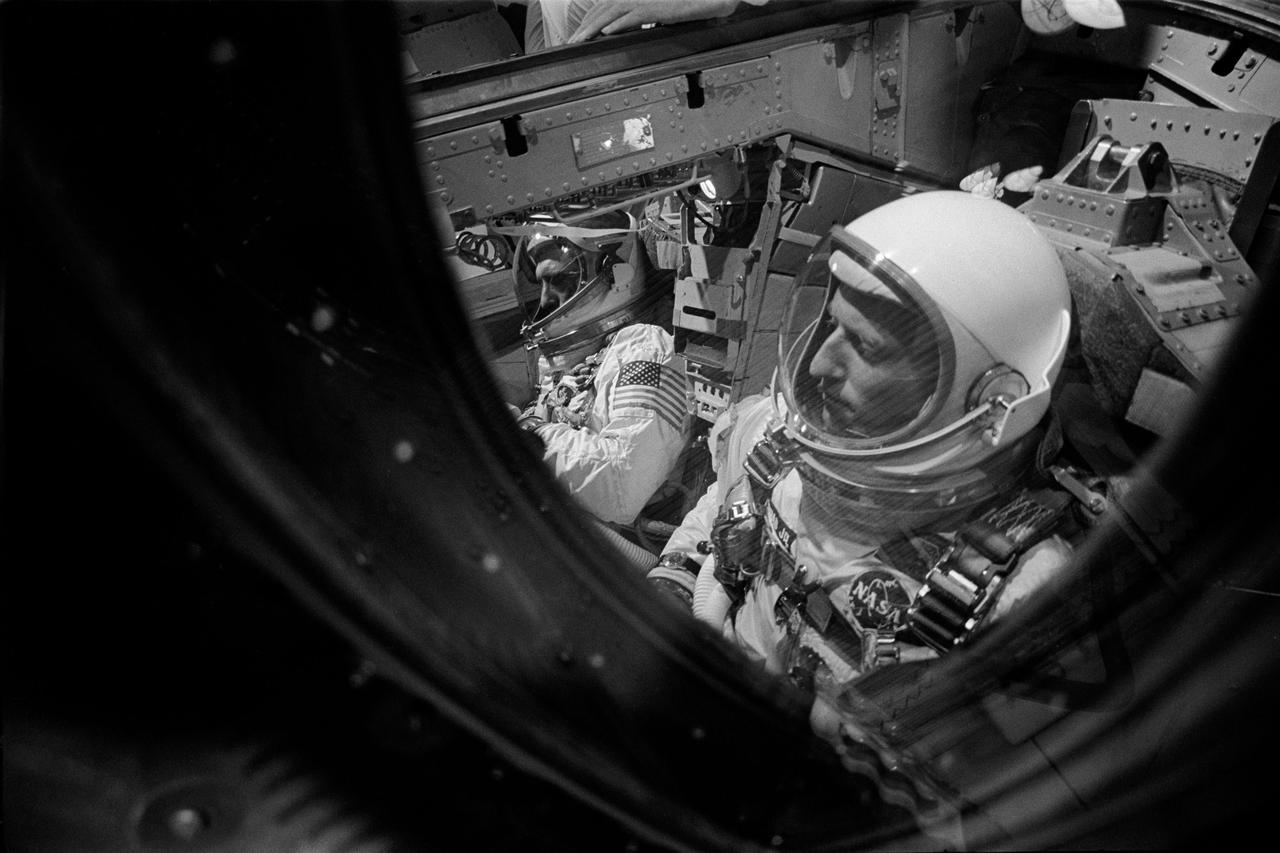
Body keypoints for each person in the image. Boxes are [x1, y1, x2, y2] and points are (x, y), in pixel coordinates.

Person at [648, 191, 1079, 695]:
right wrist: (672, 589)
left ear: (989, 398)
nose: (818, 365)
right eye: (832, 326)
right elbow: (721, 512)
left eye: (866, 346)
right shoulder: (778, 440)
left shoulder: (1015, 597)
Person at [510, 209, 692, 526]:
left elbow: (621, 487)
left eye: (559, 279)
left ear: (614, 273)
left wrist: (527, 431)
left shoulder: (645, 350)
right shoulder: (571, 361)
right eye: (541, 284)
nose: (546, 299)